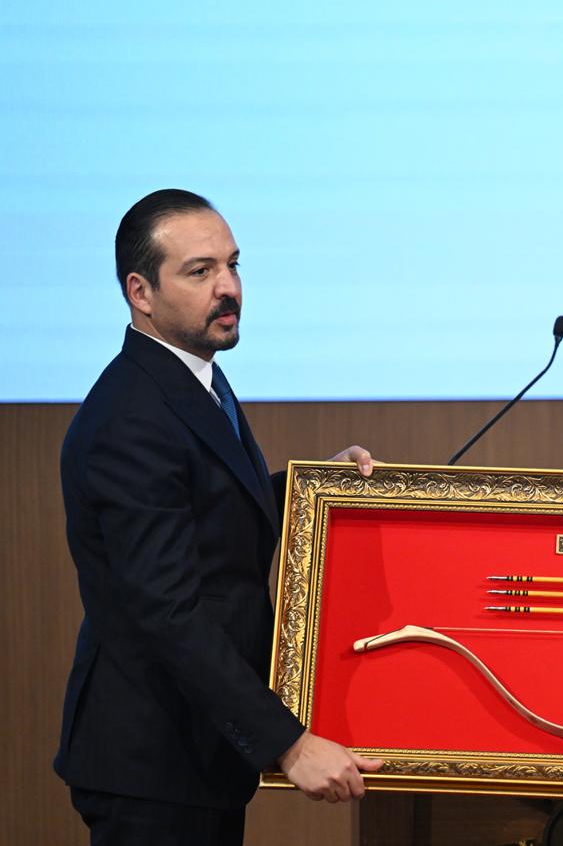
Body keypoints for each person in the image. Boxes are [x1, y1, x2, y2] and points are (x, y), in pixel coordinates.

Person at [56, 189, 384, 846]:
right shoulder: (131, 418)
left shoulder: (188, 376)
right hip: (152, 764)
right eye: (200, 271)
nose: (228, 287)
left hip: (190, 758)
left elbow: (203, 511)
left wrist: (310, 488)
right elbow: (168, 611)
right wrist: (289, 743)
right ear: (141, 292)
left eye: (233, 265)